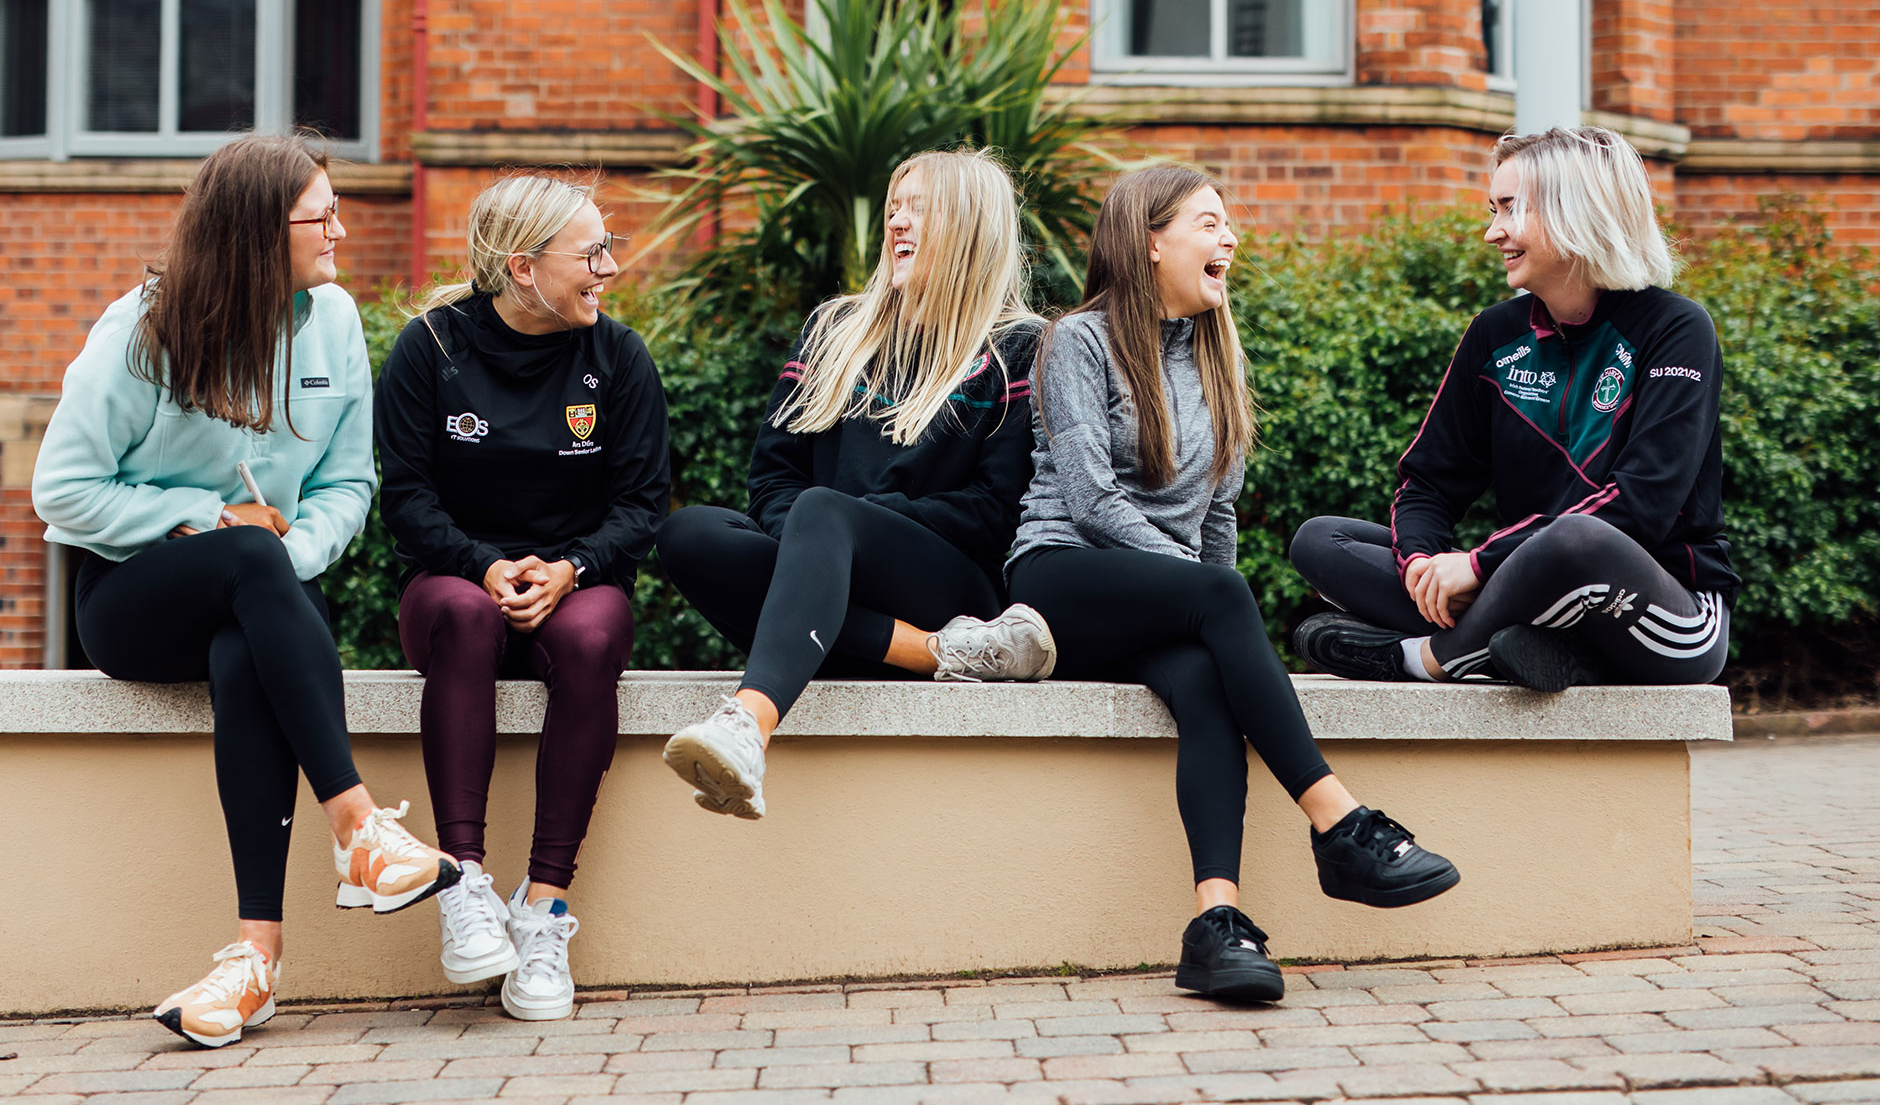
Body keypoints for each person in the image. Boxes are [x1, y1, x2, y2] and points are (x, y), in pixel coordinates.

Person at [31, 134, 458, 1048]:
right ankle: (357, 826)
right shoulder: (145, 328)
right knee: (250, 573)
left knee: (249, 639)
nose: (341, 230)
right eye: (322, 216)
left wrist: (286, 553)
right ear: (258, 232)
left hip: (271, 587)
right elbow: (61, 489)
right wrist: (203, 517)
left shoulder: (335, 320)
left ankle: (254, 956)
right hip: (134, 596)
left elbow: (349, 483)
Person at [1005, 165, 1460, 1003]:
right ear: (1149, 242)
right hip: (1061, 576)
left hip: (1164, 599)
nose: (1231, 239)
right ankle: (1341, 824)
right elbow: (1093, 500)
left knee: (1211, 678)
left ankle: (1216, 925)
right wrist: (1209, 596)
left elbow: (1218, 523)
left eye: (1228, 227)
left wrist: (1214, 612)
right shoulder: (1078, 340)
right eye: (1210, 224)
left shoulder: (1218, 356)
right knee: (1224, 595)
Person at [654, 148, 1056, 820]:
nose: (896, 222)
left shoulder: (1022, 347)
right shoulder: (835, 330)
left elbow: (996, 510)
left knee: (823, 511)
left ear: (969, 227)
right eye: (894, 206)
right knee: (688, 533)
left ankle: (750, 721)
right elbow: (774, 475)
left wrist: (850, 525)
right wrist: (814, 550)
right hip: (827, 576)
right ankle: (930, 656)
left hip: (949, 585)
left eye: (918, 209)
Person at [1289, 126, 1735, 691]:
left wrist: (1479, 565)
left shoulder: (1675, 328)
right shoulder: (1496, 335)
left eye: (1509, 209)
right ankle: (1530, 650)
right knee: (1322, 541)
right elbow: (1429, 482)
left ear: (1576, 211)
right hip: (1524, 589)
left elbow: (1643, 505)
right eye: (1491, 209)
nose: (1491, 231)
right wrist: (1425, 566)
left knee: (1577, 540)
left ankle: (1425, 659)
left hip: (1669, 612)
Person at [374, 173, 669, 1021]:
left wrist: (573, 566)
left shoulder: (618, 358)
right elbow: (407, 498)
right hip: (454, 585)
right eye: (591, 253)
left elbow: (643, 504)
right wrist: (480, 565)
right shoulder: (430, 348)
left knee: (586, 642)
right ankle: (463, 883)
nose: (608, 268)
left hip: (578, 583)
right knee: (465, 618)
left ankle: (542, 908)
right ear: (524, 268)